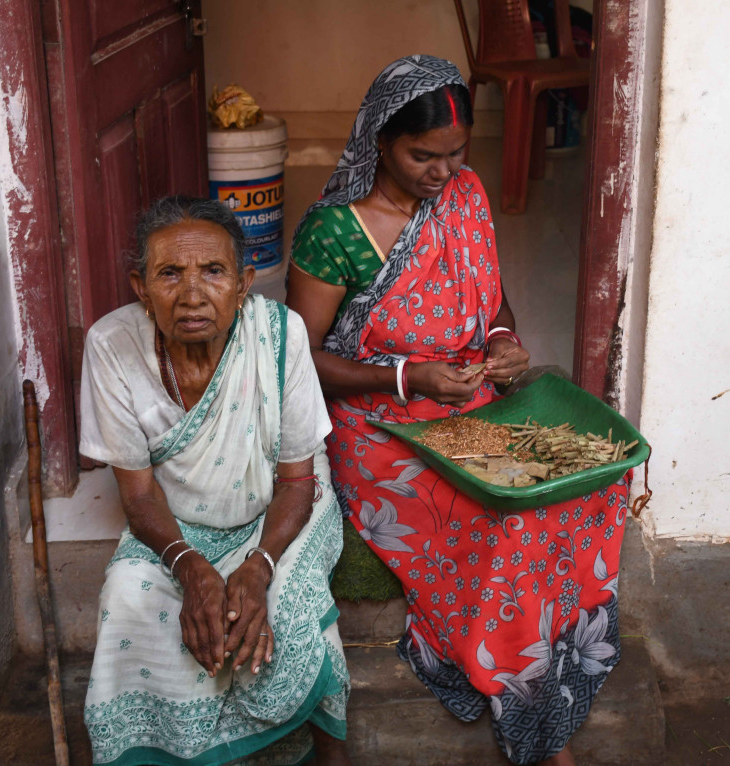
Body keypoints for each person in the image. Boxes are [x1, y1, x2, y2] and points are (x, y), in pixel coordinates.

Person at [285, 56, 630, 766]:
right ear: (380, 140)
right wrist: (408, 377)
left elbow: (489, 299)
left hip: (469, 401)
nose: (442, 172)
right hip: (379, 428)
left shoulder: (465, 196)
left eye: (455, 154)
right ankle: (530, 709)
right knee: (495, 521)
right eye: (421, 156)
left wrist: (503, 339)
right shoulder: (335, 231)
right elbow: (297, 361)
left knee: (587, 487)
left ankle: (553, 661)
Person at [79, 196, 350, 766]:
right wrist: (190, 564)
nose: (192, 293)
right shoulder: (112, 345)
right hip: (177, 523)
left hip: (283, 510)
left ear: (245, 281)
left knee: (280, 604)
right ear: (140, 285)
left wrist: (260, 564)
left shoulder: (281, 335)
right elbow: (139, 492)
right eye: (170, 273)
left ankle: (321, 750)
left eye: (214, 271)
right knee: (128, 596)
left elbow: (299, 482)